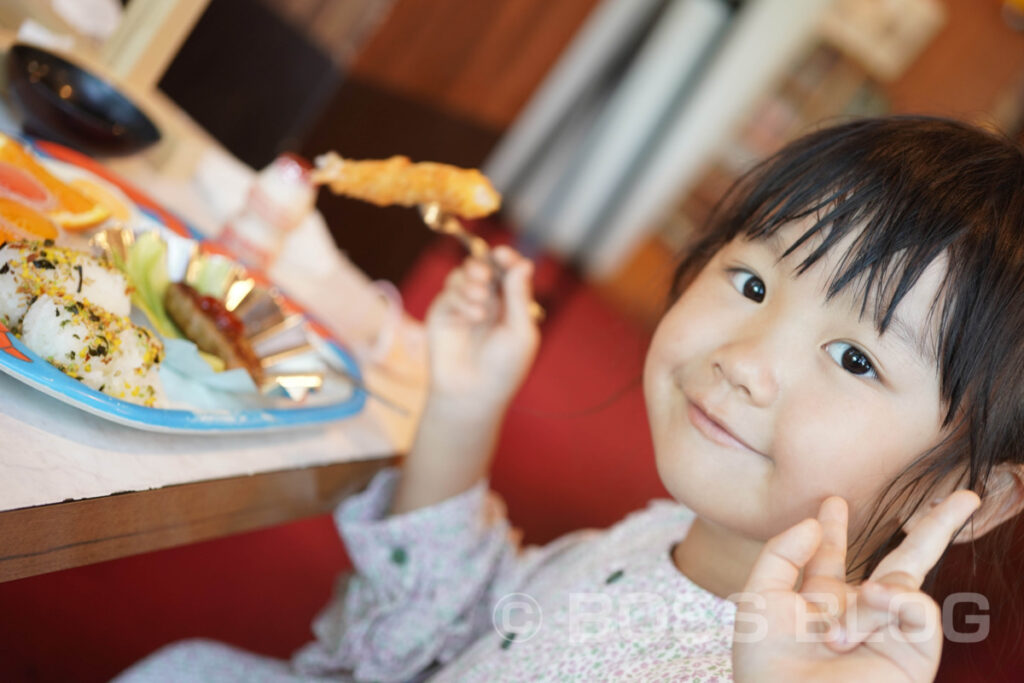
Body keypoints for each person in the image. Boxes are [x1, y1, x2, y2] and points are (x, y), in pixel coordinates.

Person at [115, 116, 1024, 682]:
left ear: (978, 498)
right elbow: (462, 625)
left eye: (855, 358)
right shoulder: (654, 538)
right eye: (750, 286)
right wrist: (466, 408)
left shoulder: (813, 672)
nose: (748, 362)